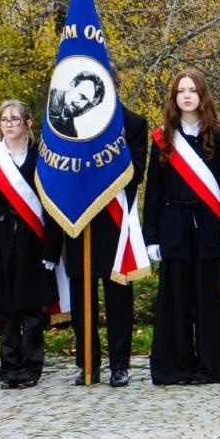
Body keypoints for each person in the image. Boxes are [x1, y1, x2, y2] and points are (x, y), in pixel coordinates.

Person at [144, 69, 220, 385]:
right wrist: (151, 237)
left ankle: (212, 367)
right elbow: (154, 191)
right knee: (175, 300)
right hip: (173, 229)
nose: (187, 96)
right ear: (174, 97)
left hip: (211, 228)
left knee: (211, 301)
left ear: (202, 96)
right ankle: (176, 367)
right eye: (181, 91)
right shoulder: (162, 138)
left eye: (192, 90)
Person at [55, 89, 148, 387]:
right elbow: (59, 169)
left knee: (118, 298)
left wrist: (99, 172)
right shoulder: (69, 125)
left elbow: (137, 172)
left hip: (114, 218)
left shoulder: (133, 123)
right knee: (82, 295)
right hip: (80, 217)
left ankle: (119, 364)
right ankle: (88, 363)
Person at [0, 101, 58, 388]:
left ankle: (32, 366)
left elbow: (53, 204)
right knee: (5, 308)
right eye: (4, 120)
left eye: (15, 119)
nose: (8, 124)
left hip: (33, 239)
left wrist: (52, 248)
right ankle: (9, 367)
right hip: (0, 239)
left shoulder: (43, 158)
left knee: (31, 308)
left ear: (28, 123)